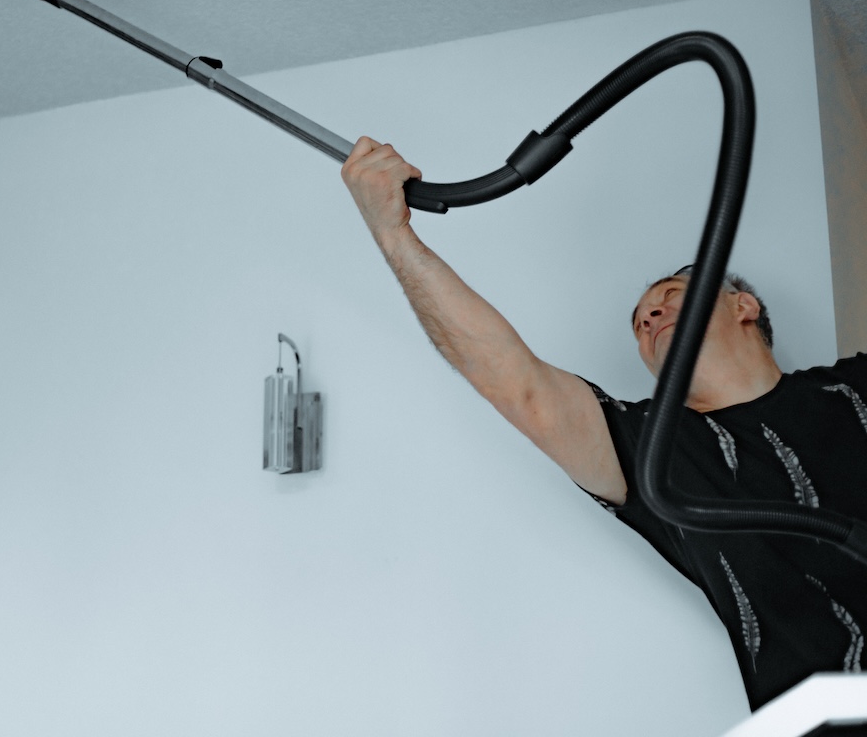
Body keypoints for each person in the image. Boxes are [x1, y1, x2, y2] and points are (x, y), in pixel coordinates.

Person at [341, 136, 866, 713]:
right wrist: (393, 234)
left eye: (670, 297)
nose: (651, 317)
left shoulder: (854, 385)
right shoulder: (653, 451)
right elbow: (520, 384)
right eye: (641, 321)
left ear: (743, 307)